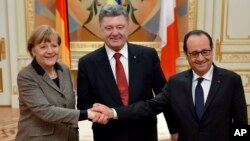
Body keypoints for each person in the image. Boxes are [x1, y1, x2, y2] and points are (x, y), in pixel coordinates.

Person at [92, 29, 248, 141]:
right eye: (194, 53)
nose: (201, 58)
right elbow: (149, 107)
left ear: (211, 51)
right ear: (187, 55)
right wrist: (113, 112)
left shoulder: (231, 80)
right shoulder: (176, 83)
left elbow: (241, 124)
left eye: (205, 52)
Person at [77, 4, 166, 141]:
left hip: (144, 135)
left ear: (128, 28)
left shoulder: (148, 56)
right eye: (109, 28)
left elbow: (164, 98)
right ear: (101, 29)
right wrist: (98, 113)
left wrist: (174, 129)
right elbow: (83, 105)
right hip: (107, 136)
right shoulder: (87, 63)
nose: (115, 32)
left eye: (120, 27)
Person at [15, 25, 107, 141]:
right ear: (33, 50)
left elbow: (68, 105)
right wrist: (87, 114)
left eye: (54, 46)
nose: (50, 51)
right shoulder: (26, 76)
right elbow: (45, 111)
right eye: (43, 47)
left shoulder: (64, 69)